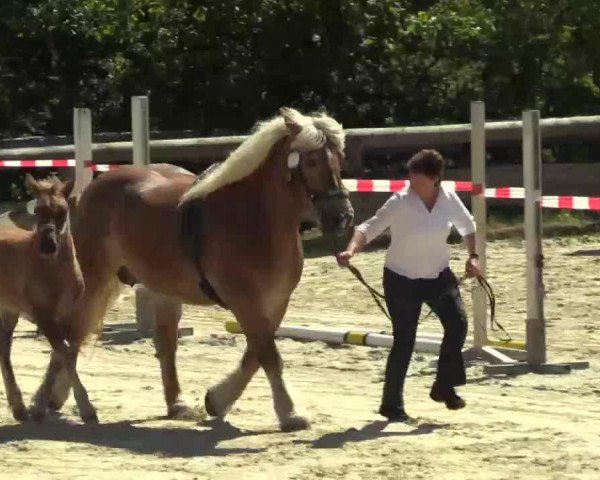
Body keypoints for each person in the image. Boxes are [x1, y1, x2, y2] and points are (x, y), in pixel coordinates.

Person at [336, 149, 481, 422]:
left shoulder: (448, 198)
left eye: (417, 176)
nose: (410, 180)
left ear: (434, 178)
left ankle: (443, 386)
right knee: (404, 341)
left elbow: (468, 227)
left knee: (458, 323)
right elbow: (369, 227)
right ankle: (392, 405)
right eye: (410, 174)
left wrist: (473, 257)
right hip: (401, 278)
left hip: (438, 275)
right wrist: (351, 251)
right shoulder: (400, 201)